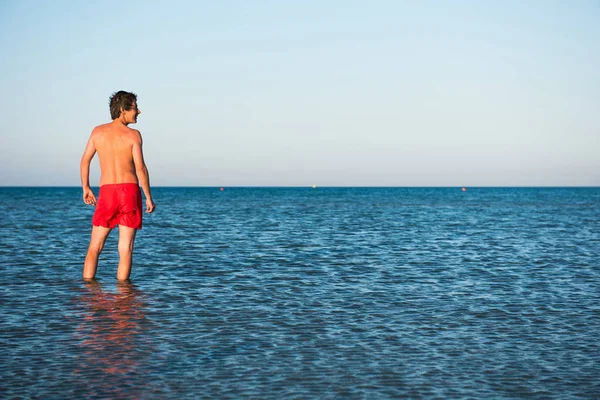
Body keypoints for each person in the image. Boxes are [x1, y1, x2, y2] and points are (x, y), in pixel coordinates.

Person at [80, 90, 155, 281]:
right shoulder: (133, 135)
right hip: (129, 191)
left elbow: (85, 161)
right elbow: (141, 168)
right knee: (125, 248)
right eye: (135, 108)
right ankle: (124, 299)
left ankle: (88, 294)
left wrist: (86, 187)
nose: (138, 112)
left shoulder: (98, 132)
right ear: (123, 110)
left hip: (107, 192)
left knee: (95, 247)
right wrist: (148, 196)